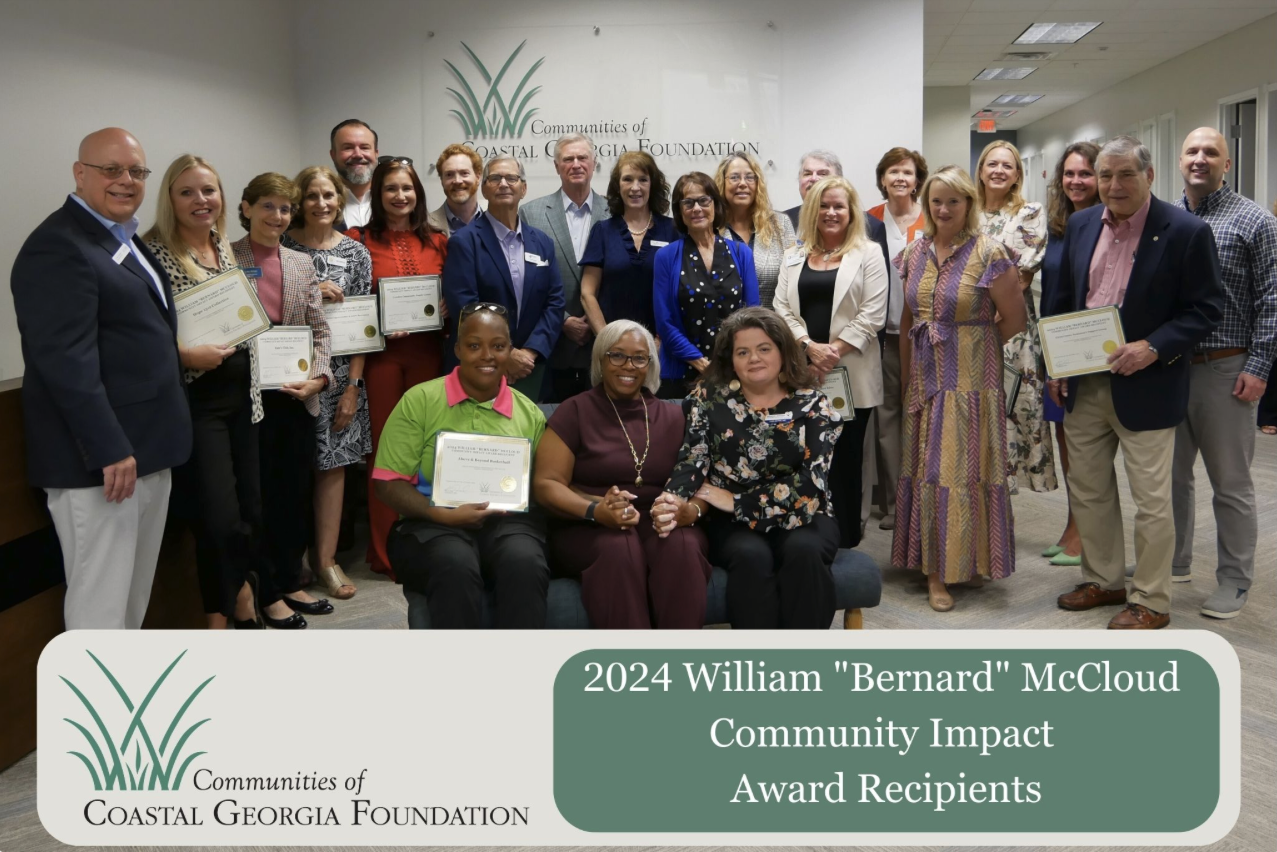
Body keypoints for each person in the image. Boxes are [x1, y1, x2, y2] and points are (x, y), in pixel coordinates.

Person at [11, 127, 191, 630]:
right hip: (103, 464)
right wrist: (109, 447)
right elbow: (64, 361)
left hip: (146, 449)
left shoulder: (122, 238)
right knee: (101, 609)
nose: (126, 180)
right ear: (80, 173)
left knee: (131, 602)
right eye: (111, 169)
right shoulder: (57, 246)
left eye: (136, 171)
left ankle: (122, 685)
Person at [1044, 135, 1223, 630]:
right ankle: (1103, 580)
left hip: (1147, 383)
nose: (1114, 185)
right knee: (1088, 490)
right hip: (1083, 382)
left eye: (1126, 174)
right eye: (1105, 175)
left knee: (1151, 501)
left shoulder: (1185, 231)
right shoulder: (1081, 224)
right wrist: (1053, 365)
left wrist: (1153, 347)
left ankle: (1151, 600)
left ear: (1149, 176)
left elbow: (1206, 309)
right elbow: (1061, 300)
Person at [652, 307, 843, 628]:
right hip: (732, 524)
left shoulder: (814, 403)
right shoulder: (707, 399)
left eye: (764, 348)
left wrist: (736, 501)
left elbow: (812, 481)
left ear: (783, 352)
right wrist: (671, 500)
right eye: (743, 352)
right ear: (731, 359)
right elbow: (694, 459)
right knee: (750, 555)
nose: (754, 358)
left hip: (803, 514)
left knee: (804, 550)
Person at [893, 166, 1026, 613]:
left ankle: (964, 561)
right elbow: (909, 320)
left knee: (959, 472)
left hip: (971, 384)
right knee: (928, 470)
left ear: (969, 203)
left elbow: (1015, 320)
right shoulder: (915, 253)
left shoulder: (990, 252)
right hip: (924, 382)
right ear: (926, 204)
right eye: (936, 201)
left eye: (954, 200)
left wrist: (970, 349)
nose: (944, 209)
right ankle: (934, 569)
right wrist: (908, 379)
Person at [376, 303, 550, 628]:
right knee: (454, 563)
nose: (487, 356)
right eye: (474, 345)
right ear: (457, 350)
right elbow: (387, 483)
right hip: (430, 523)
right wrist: (440, 514)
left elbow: (544, 486)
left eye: (498, 346)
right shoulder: (420, 400)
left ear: (510, 351)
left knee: (524, 561)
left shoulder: (529, 414)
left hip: (507, 524)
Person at [144, 154, 262, 629]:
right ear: (169, 199)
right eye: (187, 192)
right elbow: (144, 336)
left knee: (250, 508)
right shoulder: (153, 254)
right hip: (197, 401)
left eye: (209, 190)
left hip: (244, 397)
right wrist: (186, 356)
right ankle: (222, 611)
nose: (201, 200)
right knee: (218, 516)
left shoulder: (224, 246)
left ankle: (241, 594)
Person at [533, 320, 711, 628]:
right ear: (600, 360)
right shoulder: (575, 411)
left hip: (659, 521)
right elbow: (546, 484)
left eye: (639, 358)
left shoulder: (675, 416)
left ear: (650, 364)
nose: (628, 365)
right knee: (618, 547)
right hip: (589, 524)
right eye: (617, 355)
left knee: (682, 544)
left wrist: (690, 511)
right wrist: (595, 510)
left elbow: (704, 482)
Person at [1166, 127, 1277, 619]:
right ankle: (1173, 561)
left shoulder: (1255, 221)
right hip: (1169, 370)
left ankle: (1234, 580)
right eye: (1192, 151)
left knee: (1230, 483)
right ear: (1179, 161)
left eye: (1211, 152)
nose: (1200, 159)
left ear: (1226, 164)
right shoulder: (1164, 219)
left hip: (1226, 369)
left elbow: (1273, 298)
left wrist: (1259, 366)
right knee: (1169, 477)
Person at [232, 173, 334, 628]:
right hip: (245, 398)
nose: (277, 216)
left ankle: (292, 579)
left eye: (285, 208)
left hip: (295, 397)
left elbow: (320, 330)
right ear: (247, 208)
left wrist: (320, 378)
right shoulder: (226, 259)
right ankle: (267, 590)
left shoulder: (300, 263)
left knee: (293, 494)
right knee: (257, 499)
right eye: (267, 206)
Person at [345, 157, 448, 580]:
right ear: (378, 194)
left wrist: (444, 306)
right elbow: (351, 305)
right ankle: (387, 550)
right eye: (391, 188)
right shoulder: (357, 240)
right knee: (386, 454)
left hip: (429, 357)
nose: (400, 196)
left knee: (429, 450)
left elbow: (452, 293)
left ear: (417, 194)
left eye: (407, 188)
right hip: (382, 359)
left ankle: (429, 543)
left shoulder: (439, 241)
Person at [773, 176, 888, 548]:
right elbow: (780, 308)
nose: (831, 212)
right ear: (812, 210)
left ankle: (846, 538)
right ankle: (805, 531)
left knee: (846, 459)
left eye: (839, 205)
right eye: (823, 205)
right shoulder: (794, 254)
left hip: (851, 374)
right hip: (802, 370)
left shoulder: (868, 253)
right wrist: (809, 347)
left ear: (851, 211)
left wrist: (830, 353)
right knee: (802, 454)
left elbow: (873, 315)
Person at [283, 165, 374, 600]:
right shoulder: (281, 245)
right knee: (291, 467)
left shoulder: (356, 253)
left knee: (334, 466)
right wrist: (310, 289)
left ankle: (326, 560)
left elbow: (364, 324)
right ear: (299, 202)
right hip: (290, 373)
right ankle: (292, 560)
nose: (321, 203)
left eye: (328, 195)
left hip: (340, 377)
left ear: (340, 200)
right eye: (312, 196)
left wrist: (354, 386)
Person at [442, 156, 565, 400]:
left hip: (532, 368)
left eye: (512, 178)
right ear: (484, 189)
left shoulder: (542, 242)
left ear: (524, 188)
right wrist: (505, 353)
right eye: (495, 178)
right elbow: (466, 307)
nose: (504, 184)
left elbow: (555, 303)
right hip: (480, 367)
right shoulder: (464, 242)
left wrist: (530, 352)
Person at [975, 139, 1055, 496]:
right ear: (980, 170)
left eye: (1007, 165)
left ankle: (1005, 496)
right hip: (970, 324)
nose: (998, 171)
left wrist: (990, 308)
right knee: (977, 407)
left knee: (1014, 403)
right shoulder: (966, 211)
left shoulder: (1029, 213)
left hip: (1011, 325)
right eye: (992, 164)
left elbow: (1020, 275)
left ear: (1017, 175)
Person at [1039, 142, 1101, 568]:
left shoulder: (1108, 223)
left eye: (1085, 173)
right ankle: (1073, 524)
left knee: (1086, 445)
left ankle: (1087, 533)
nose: (1076, 181)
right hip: (1057, 342)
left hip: (1090, 344)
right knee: (1065, 439)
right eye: (1070, 173)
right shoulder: (1058, 226)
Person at [652, 172, 760, 399]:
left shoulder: (741, 253)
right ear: (679, 211)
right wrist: (703, 364)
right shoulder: (665, 257)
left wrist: (724, 365)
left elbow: (752, 315)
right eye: (688, 203)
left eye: (703, 200)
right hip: (681, 373)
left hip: (734, 370)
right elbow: (665, 322)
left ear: (715, 205)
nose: (697, 208)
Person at [867, 147, 928, 532]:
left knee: (924, 419)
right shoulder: (868, 219)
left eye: (907, 172)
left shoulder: (932, 216)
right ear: (883, 179)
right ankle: (894, 504)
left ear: (917, 179)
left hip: (924, 337)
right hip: (883, 337)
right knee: (887, 421)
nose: (900, 178)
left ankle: (924, 503)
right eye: (893, 172)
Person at [521, 134, 609, 401]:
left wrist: (597, 323)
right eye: (568, 159)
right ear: (556, 166)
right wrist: (563, 320)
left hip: (604, 345)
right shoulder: (530, 213)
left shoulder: (615, 212)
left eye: (583, 157)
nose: (576, 164)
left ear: (594, 163)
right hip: (552, 346)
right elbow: (526, 281)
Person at [579, 151, 678, 335]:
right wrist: (607, 339)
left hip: (660, 343)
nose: (635, 187)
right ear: (617, 186)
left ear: (653, 185)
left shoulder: (673, 230)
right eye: (627, 179)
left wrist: (662, 339)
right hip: (612, 343)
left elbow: (679, 293)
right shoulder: (603, 231)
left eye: (643, 180)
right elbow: (587, 294)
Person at [784, 150, 890, 278]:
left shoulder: (871, 226)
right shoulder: (782, 221)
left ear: (839, 181)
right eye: (807, 173)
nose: (813, 178)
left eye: (823, 173)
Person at [714, 151, 796, 308]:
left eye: (749, 177)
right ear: (722, 183)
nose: (742, 183)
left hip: (772, 320)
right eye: (734, 177)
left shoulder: (780, 224)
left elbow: (794, 280)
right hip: (724, 322)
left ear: (758, 184)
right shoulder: (711, 227)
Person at [328, 119, 379, 229]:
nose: (358, 154)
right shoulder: (318, 204)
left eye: (365, 147)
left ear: (376, 153)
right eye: (348, 148)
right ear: (333, 155)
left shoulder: (395, 200)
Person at [427, 143, 483, 237]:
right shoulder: (425, 226)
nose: (457, 181)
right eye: (449, 175)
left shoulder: (496, 219)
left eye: (464, 173)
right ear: (442, 180)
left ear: (478, 177)